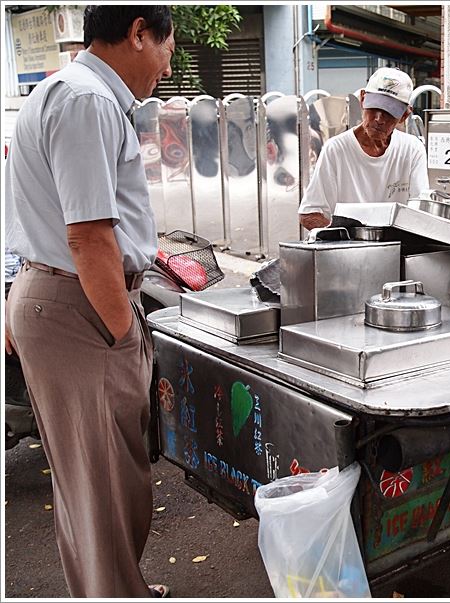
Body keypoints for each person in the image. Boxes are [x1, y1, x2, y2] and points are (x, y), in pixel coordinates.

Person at [4, 6, 174, 598]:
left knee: (88, 485)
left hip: (54, 298)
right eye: (167, 51)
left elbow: (27, 217)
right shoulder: (88, 101)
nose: (165, 67)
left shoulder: (58, 91)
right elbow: (89, 235)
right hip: (81, 308)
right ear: (138, 33)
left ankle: (114, 588)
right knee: (106, 488)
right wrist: (124, 334)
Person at [298, 67, 429, 230]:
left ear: (404, 116)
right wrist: (347, 240)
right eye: (374, 108)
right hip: (348, 249)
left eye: (389, 112)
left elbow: (421, 212)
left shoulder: (412, 149)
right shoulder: (336, 149)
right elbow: (309, 214)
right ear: (362, 99)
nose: (379, 119)